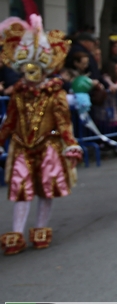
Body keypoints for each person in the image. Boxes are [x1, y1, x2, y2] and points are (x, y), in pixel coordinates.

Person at [0, 15, 82, 255]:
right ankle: (16, 231)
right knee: (21, 186)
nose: (29, 75)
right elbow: (10, 120)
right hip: (22, 145)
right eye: (26, 69)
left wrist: (70, 143)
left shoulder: (54, 93)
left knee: (47, 187)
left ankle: (41, 228)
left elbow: (63, 122)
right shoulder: (19, 93)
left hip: (49, 145)